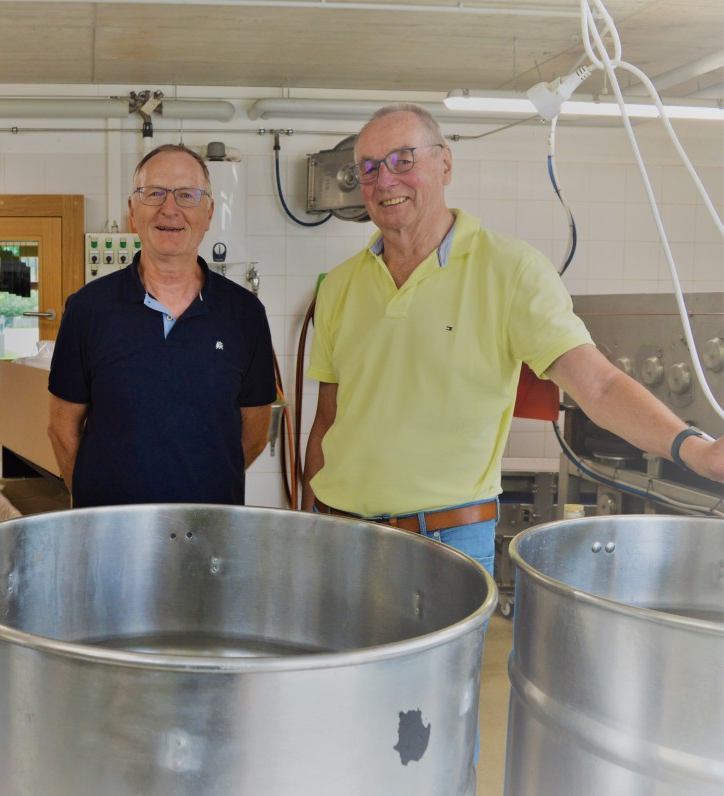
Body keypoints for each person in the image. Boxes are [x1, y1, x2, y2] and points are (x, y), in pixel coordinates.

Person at [302, 103, 724, 572]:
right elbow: (327, 422)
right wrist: (308, 525)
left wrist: (695, 450)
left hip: (446, 538)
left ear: (444, 164)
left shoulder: (511, 271)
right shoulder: (339, 286)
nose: (384, 180)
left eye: (403, 160)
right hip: (337, 531)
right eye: (368, 168)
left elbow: (599, 386)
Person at [48, 143, 276, 507]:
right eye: (154, 193)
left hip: (210, 527)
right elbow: (62, 431)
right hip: (111, 530)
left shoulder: (245, 314)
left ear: (209, 212)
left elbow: (255, 435)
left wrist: (205, 488)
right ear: (132, 211)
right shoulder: (87, 310)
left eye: (187, 195)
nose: (170, 209)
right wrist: (96, 508)